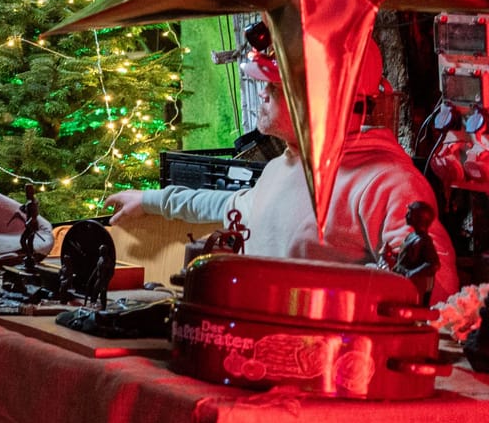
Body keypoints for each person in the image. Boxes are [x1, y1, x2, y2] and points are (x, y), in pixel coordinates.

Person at [107, 27, 458, 298]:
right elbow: (232, 206)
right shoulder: (283, 167)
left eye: (274, 87)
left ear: (319, 103)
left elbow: (435, 288)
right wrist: (150, 200)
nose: (261, 93)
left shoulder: (386, 183)